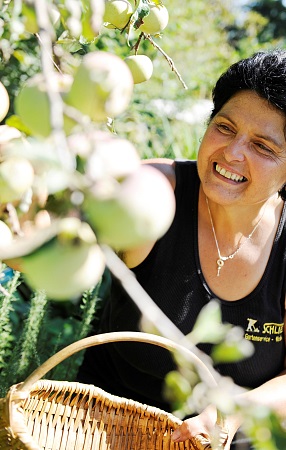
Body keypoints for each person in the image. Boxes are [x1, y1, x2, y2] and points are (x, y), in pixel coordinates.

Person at [77, 49, 286, 449]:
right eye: (225, 127)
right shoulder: (155, 192)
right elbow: (62, 228)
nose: (233, 152)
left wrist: (232, 412)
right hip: (104, 430)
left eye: (263, 146)